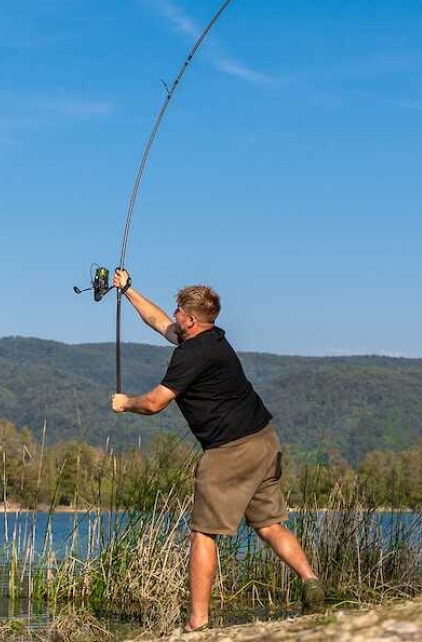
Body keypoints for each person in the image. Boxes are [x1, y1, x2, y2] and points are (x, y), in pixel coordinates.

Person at [109, 267, 323, 632]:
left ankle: (198, 621)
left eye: (179, 312)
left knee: (203, 533)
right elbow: (158, 321)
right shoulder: (214, 339)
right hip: (264, 440)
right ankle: (311, 581)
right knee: (270, 524)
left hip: (229, 451)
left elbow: (156, 403)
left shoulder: (189, 357)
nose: (174, 316)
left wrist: (126, 403)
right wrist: (128, 290)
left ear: (191, 320)